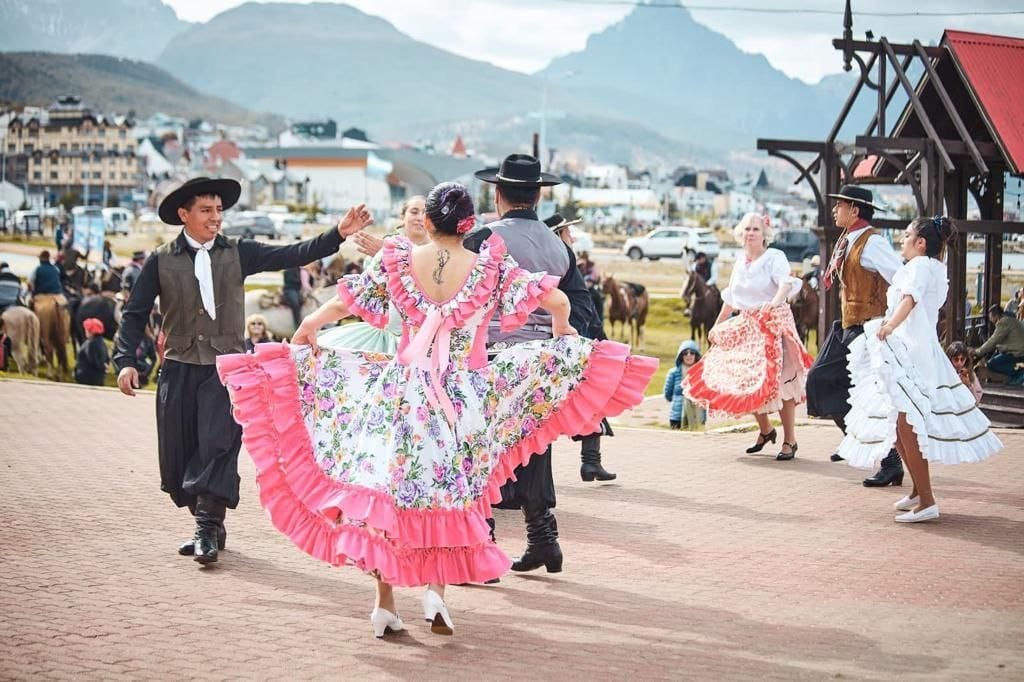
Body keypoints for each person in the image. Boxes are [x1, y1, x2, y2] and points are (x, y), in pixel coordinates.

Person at [215, 181, 656, 637]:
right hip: (462, 402)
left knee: (386, 499)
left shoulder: (401, 263)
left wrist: (308, 326)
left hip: (402, 395)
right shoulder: (490, 268)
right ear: (470, 225)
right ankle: (435, 595)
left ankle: (385, 604)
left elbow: (345, 301)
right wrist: (563, 332)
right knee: (446, 496)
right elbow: (559, 299)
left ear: (426, 221)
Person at [112, 176, 373, 565]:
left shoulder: (239, 252)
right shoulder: (161, 259)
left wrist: (337, 233)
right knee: (177, 457)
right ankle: (209, 523)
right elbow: (134, 314)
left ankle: (205, 526)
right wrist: (125, 361)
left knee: (218, 447)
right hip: (179, 367)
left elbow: (292, 253)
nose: (216, 217)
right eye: (206, 210)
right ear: (184, 215)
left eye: (219, 210)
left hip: (226, 369)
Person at [463, 155, 585, 572]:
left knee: (481, 447)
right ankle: (543, 538)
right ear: (537, 195)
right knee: (535, 444)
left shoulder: (482, 239)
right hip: (542, 359)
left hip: (491, 356)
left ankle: (486, 541)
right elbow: (582, 309)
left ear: (496, 195)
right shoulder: (560, 247)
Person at [836, 217, 1002, 522]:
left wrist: (888, 326)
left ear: (921, 242)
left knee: (906, 424)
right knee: (899, 424)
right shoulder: (933, 268)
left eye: (908, 235)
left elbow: (910, 301)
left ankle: (927, 499)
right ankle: (918, 491)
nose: (903, 239)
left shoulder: (921, 267)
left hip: (911, 351)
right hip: (912, 348)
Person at [684, 213, 811, 459]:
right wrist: (717, 325)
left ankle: (790, 440)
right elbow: (731, 298)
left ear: (765, 235)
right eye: (747, 229)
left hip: (774, 325)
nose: (751, 233)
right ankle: (765, 430)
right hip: (748, 326)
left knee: (781, 383)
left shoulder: (775, 257)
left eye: (756, 229)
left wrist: (774, 303)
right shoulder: (740, 262)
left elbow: (785, 283)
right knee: (742, 379)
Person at [805, 186, 905, 485]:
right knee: (820, 382)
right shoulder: (848, 240)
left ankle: (890, 462)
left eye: (840, 206)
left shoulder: (872, 244)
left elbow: (901, 281)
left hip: (867, 330)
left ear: (855, 210)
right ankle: (859, 441)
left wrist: (889, 322)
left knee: (864, 397)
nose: (835, 210)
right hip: (848, 327)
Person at [545, 212, 617, 482]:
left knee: (591, 403)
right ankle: (587, 464)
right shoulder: (560, 259)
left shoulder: (562, 259)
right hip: (571, 342)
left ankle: (591, 462)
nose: (571, 237)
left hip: (579, 340)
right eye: (566, 232)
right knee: (575, 404)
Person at [317, 195, 428, 354]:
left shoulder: (436, 251)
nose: (419, 218)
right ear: (403, 217)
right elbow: (364, 293)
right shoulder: (385, 247)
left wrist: (391, 256)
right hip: (384, 334)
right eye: (414, 212)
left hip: (421, 337)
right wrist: (386, 256)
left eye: (425, 213)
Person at [972, 304, 1024, 385]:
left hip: (1016, 354)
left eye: (990, 317)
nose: (990, 320)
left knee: (991, 365)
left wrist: (978, 351)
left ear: (995, 315)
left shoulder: (1003, 322)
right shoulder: (1011, 320)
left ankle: (1007, 380)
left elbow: (993, 341)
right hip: (1019, 352)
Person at [664, 340, 704, 430]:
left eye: (692, 353)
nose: (688, 355)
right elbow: (667, 393)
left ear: (696, 355)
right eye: (685, 353)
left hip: (697, 416)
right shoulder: (673, 373)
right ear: (681, 356)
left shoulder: (702, 373)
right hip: (676, 417)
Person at [75, 317, 109, 386]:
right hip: (98, 378)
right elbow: (107, 358)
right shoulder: (102, 342)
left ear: (90, 331)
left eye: (86, 329)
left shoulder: (91, 343)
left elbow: (93, 359)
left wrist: (102, 367)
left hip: (88, 379)